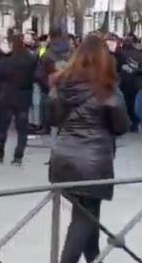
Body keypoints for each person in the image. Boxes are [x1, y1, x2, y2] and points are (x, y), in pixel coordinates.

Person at [48, 35, 130, 263]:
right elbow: (121, 126)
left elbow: (53, 119)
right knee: (84, 218)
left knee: (86, 215)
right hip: (93, 164)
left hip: (63, 159)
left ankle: (94, 258)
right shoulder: (107, 90)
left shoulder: (61, 86)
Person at [0, 34, 37, 165]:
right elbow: (34, 76)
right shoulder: (30, 58)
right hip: (24, 96)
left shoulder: (5, 59)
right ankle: (18, 157)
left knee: (3, 127)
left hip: (7, 95)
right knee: (22, 129)